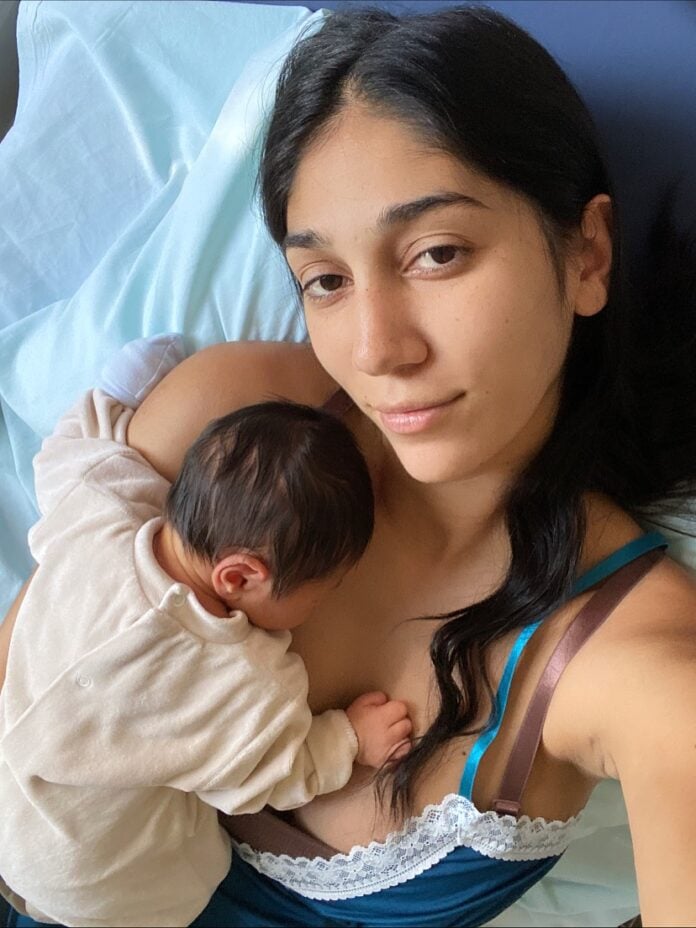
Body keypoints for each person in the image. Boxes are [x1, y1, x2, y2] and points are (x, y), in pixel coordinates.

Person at [4, 3, 696, 927]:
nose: (376, 350)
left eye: (437, 254)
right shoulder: (232, 421)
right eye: (326, 280)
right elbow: (30, 667)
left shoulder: (636, 665)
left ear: (587, 255)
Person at [0, 389, 412, 928]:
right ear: (240, 577)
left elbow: (74, 445)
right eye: (323, 591)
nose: (324, 606)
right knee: (184, 873)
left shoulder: (101, 513)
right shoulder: (239, 679)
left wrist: (124, 393)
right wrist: (350, 738)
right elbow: (273, 773)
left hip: (13, 820)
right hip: (98, 882)